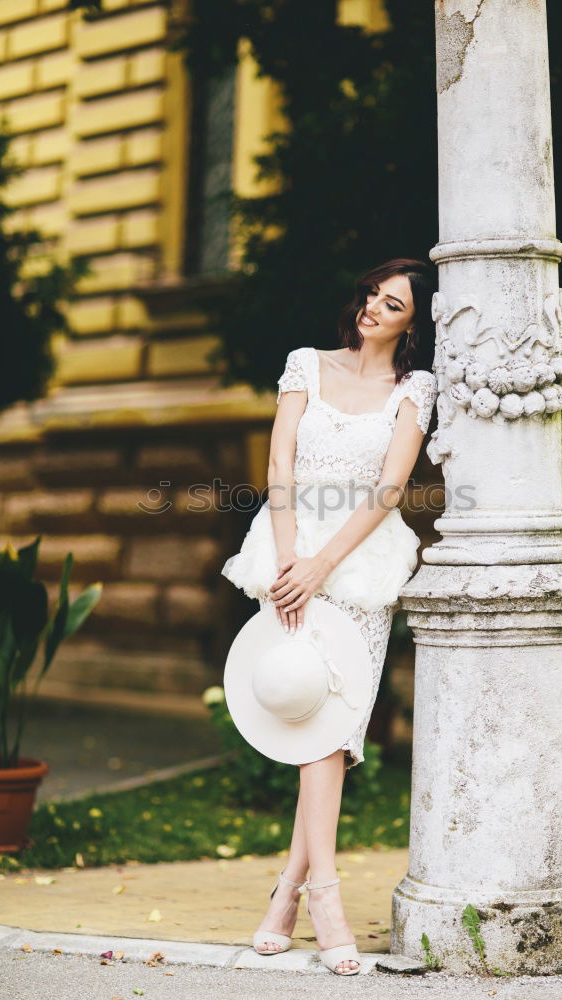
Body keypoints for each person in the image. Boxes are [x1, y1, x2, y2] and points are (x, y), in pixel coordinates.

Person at [221, 257, 438, 974]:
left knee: (334, 727)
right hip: (286, 553)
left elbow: (388, 489)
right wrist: (292, 560)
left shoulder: (414, 388)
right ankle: (314, 895)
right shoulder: (306, 366)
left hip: (360, 562)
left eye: (395, 304)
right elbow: (279, 464)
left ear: (414, 323)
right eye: (374, 294)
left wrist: (324, 566)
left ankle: (305, 893)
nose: (375, 308)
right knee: (306, 711)